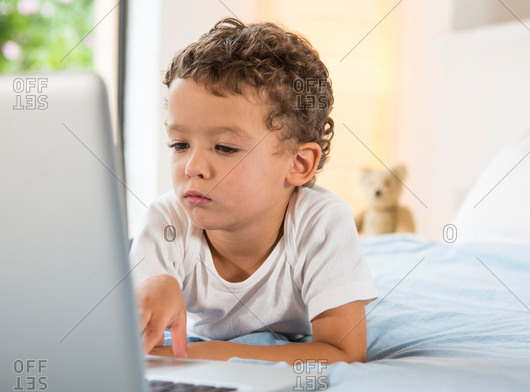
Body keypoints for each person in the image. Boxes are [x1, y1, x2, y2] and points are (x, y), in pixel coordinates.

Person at [130, 17, 378, 365]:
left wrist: (208, 354)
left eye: (225, 148)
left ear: (298, 164)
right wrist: (149, 295)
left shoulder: (322, 223)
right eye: (180, 143)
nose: (192, 167)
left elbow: (344, 351)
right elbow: (129, 350)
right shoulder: (167, 221)